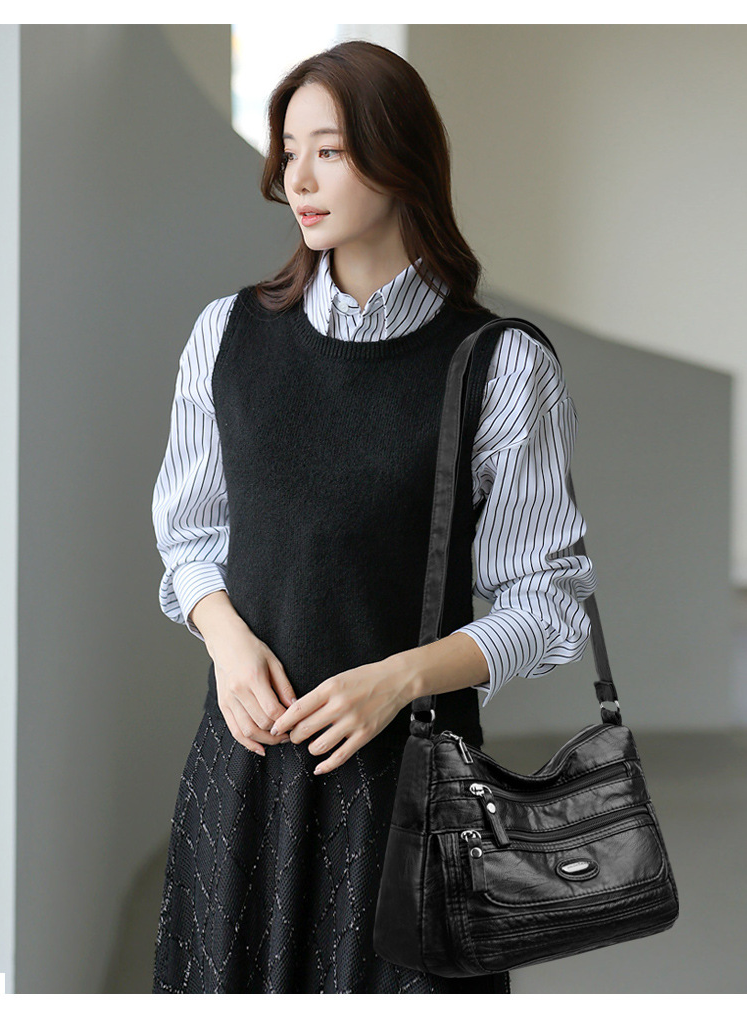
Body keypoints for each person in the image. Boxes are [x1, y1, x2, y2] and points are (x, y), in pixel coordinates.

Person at [150, 40, 597, 994]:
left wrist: (398, 679)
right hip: (243, 788)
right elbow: (189, 537)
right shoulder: (226, 337)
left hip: (413, 800)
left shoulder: (500, 366)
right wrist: (226, 639)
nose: (298, 179)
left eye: (331, 151)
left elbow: (547, 602)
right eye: (289, 151)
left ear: (401, 161)